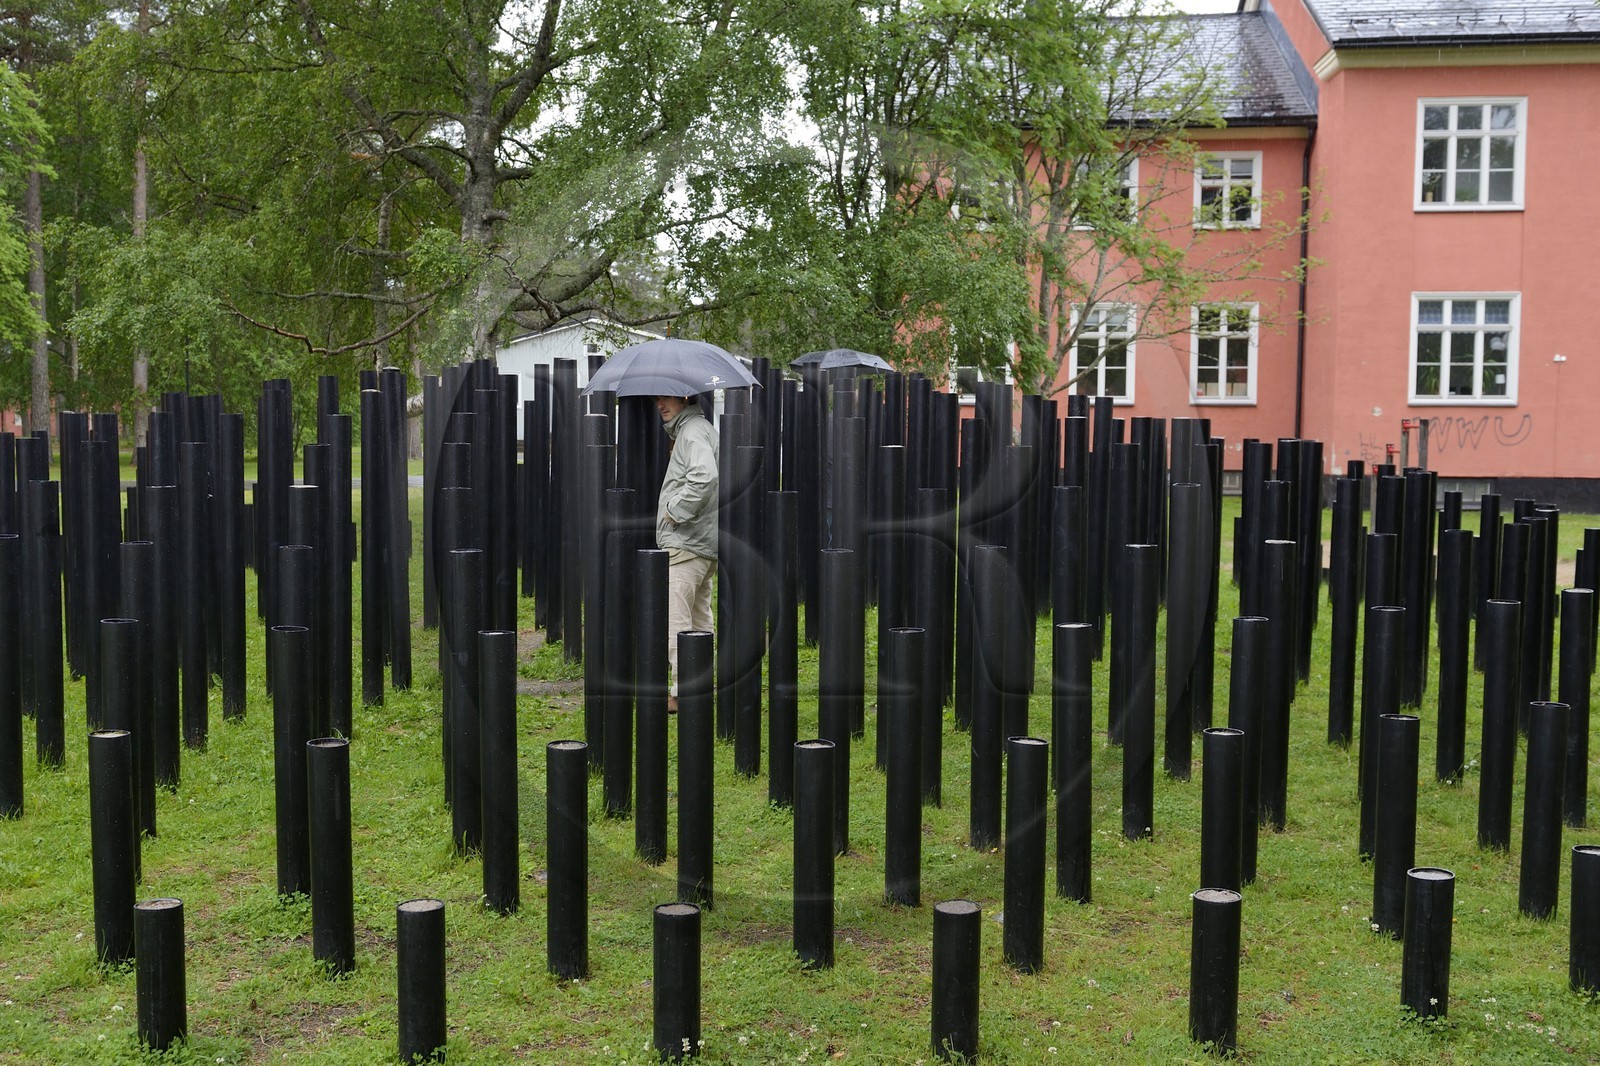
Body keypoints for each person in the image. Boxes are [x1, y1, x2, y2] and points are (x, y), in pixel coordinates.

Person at [655, 395, 718, 711]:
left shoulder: (691, 431)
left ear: (684, 396)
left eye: (666, 397)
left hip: (685, 543)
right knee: (698, 620)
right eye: (656, 398)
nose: (660, 404)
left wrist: (674, 510)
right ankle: (700, 687)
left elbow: (705, 477)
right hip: (701, 544)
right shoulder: (698, 428)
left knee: (676, 620)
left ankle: (681, 694)